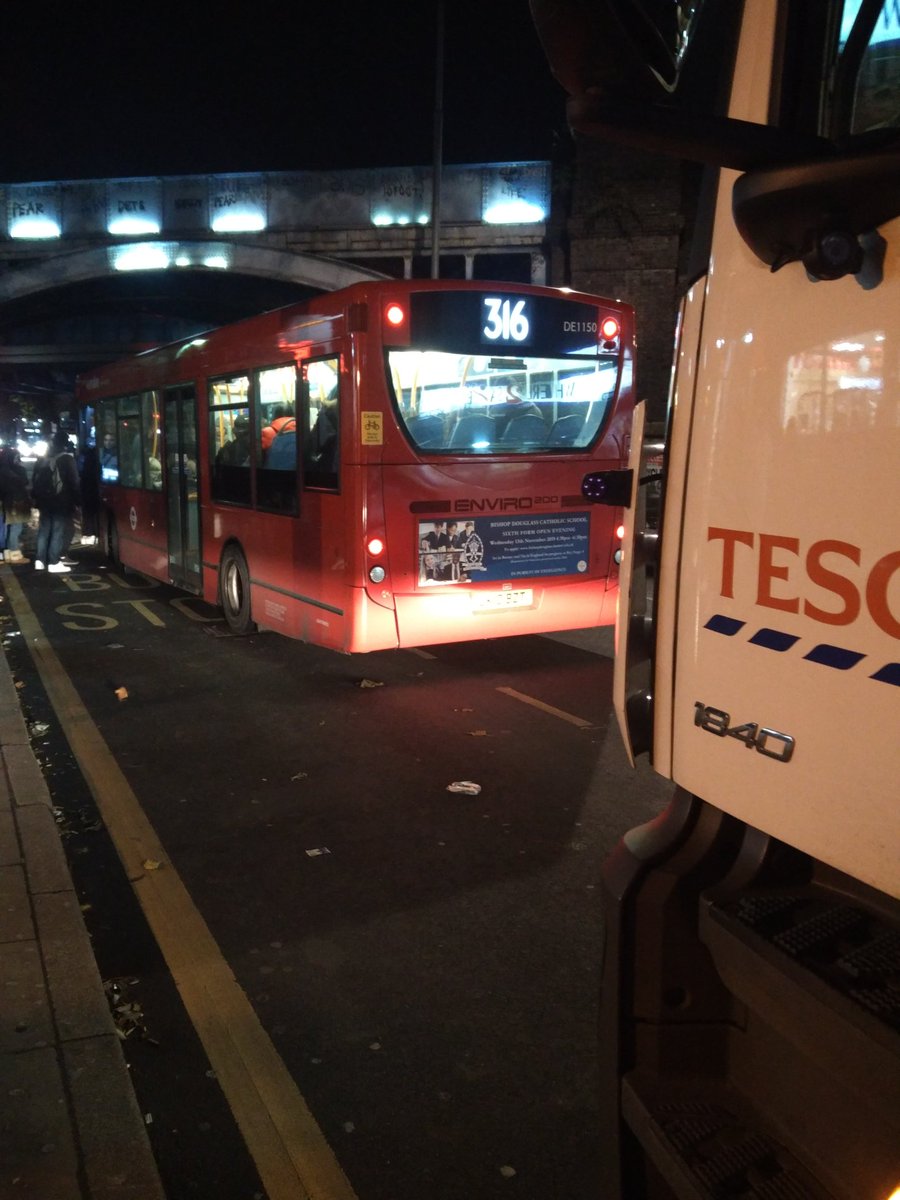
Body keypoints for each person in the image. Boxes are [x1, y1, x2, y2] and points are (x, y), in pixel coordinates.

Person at [32, 430, 81, 573]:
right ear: (66, 443)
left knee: (44, 530)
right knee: (58, 531)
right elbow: (74, 482)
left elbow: (35, 478)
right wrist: (78, 501)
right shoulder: (67, 459)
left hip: (44, 500)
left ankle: (39, 560)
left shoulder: (44, 458)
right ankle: (54, 562)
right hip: (61, 500)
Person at [0, 446, 32, 563]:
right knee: (16, 527)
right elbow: (25, 482)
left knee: (8, 527)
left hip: (7, 501)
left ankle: (7, 553)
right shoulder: (18, 469)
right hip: (18, 501)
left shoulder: (2, 469)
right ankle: (14, 553)